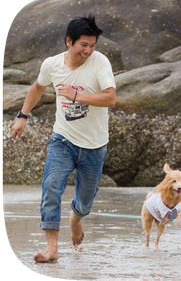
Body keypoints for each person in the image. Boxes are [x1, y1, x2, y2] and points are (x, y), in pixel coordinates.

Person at [11, 13, 117, 263]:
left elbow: (110, 98)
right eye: (84, 45)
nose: (88, 50)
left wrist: (75, 96)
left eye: (92, 45)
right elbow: (38, 86)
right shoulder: (52, 64)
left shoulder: (99, 62)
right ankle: (52, 248)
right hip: (63, 139)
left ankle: (76, 217)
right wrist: (22, 116)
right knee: (51, 187)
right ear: (69, 41)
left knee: (85, 201)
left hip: (94, 145)